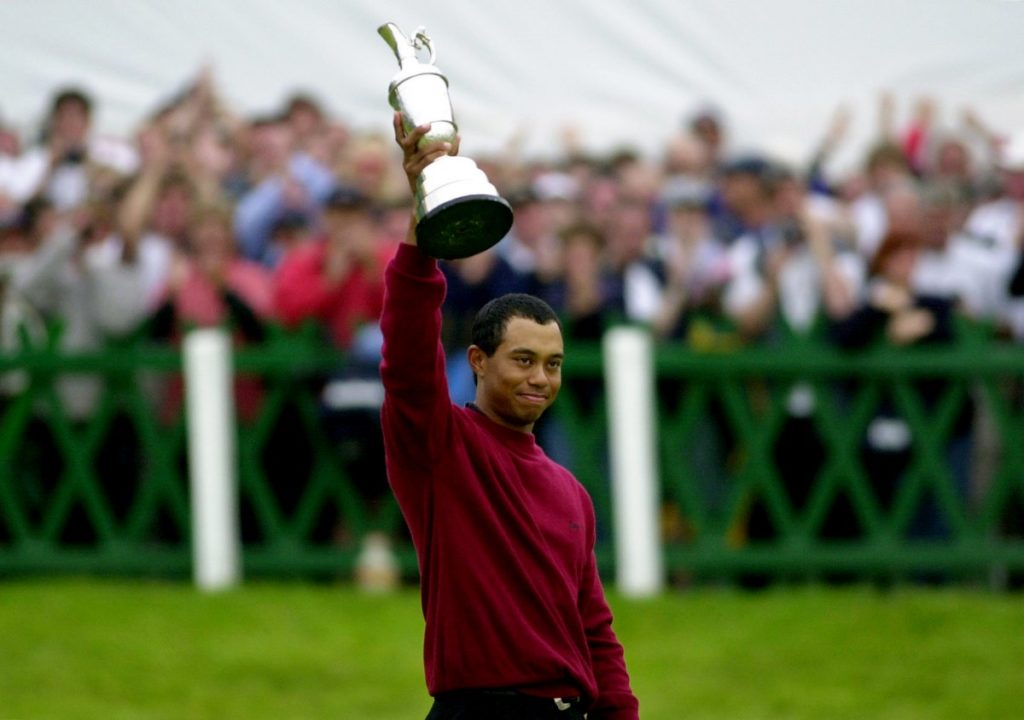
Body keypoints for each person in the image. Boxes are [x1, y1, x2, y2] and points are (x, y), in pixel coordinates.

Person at [380, 115, 639, 720]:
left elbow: (596, 631)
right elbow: (407, 362)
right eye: (522, 360)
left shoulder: (569, 492)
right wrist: (425, 218)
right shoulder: (440, 451)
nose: (540, 378)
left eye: (553, 364)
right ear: (477, 361)